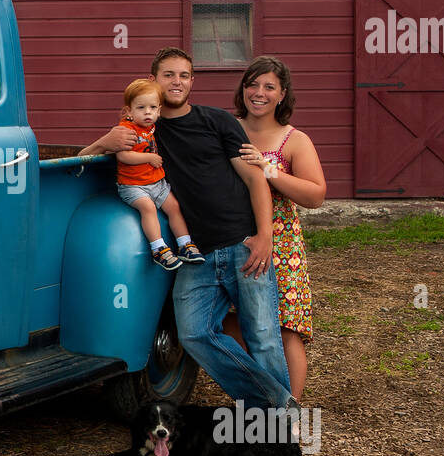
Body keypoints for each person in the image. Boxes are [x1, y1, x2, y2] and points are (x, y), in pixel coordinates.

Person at [82, 48, 296, 415]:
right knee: (195, 335)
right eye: (168, 75)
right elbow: (85, 161)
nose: (176, 82)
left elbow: (254, 177)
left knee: (262, 336)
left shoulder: (218, 122)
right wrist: (106, 142)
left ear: (192, 81)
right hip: (194, 252)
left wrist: (265, 236)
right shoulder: (140, 129)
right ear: (154, 79)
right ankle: (276, 402)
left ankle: (276, 427)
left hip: (242, 242)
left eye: (184, 75)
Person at [226, 56, 326, 402]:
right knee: (231, 324)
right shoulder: (228, 128)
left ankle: (291, 411)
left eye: (269, 86)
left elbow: (316, 195)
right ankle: (257, 399)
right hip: (230, 239)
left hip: (281, 246)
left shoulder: (293, 140)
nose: (259, 93)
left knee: (285, 328)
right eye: (252, 84)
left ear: (282, 94)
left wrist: (271, 171)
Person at [114, 78, 205, 271]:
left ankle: (185, 244)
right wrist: (149, 158)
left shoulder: (152, 127)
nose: (148, 112)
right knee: (148, 208)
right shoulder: (127, 129)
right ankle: (159, 248)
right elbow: (123, 155)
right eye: (141, 108)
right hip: (133, 185)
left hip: (156, 183)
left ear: (159, 110)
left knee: (174, 206)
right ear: (129, 111)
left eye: (153, 107)